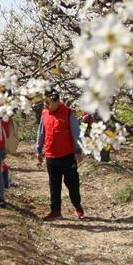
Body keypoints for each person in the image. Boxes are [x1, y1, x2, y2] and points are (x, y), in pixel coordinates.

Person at [36, 90, 85, 220]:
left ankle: (77, 204)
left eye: (48, 102)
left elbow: (76, 133)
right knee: (54, 184)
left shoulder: (69, 113)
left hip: (67, 156)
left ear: (57, 101)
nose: (46, 105)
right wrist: (39, 148)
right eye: (44, 102)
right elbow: (41, 132)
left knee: (72, 183)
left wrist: (78, 151)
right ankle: (55, 210)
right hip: (51, 156)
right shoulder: (44, 113)